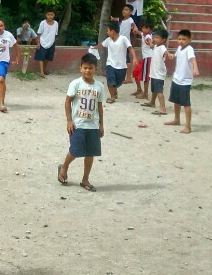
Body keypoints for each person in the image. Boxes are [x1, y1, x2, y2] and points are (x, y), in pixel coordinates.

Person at [58, 54, 105, 192]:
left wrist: (101, 124)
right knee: (75, 150)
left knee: (90, 153)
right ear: (80, 68)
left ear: (95, 69)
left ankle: (85, 179)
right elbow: (67, 101)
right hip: (78, 124)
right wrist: (69, 121)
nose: (87, 71)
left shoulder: (99, 86)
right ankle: (64, 166)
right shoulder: (76, 84)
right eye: (85, 68)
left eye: (90, 68)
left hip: (92, 125)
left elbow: (100, 106)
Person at [165, 29, 199, 133]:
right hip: (176, 78)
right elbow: (175, 56)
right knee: (176, 101)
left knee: (186, 104)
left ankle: (188, 126)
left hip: (185, 81)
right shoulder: (179, 48)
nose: (181, 41)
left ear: (190, 40)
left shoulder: (189, 49)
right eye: (179, 39)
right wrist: (171, 56)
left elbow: (193, 59)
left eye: (184, 39)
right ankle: (176, 119)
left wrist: (195, 68)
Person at [101, 22, 136, 104]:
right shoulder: (108, 40)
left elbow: (130, 48)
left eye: (108, 30)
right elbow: (101, 45)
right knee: (110, 80)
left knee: (118, 82)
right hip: (110, 64)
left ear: (112, 31)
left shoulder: (123, 39)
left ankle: (114, 90)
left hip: (121, 66)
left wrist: (134, 58)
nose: (107, 32)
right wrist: (93, 48)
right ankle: (112, 97)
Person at [147, 28, 170, 115]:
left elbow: (166, 52)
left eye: (157, 38)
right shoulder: (156, 46)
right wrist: (149, 41)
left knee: (159, 91)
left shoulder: (162, 48)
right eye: (154, 37)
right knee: (154, 90)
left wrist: (169, 54)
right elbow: (152, 46)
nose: (155, 39)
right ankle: (152, 102)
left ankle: (163, 108)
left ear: (163, 40)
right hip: (154, 72)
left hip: (159, 74)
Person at [34, 10, 59, 77]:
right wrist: (38, 43)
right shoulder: (43, 23)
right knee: (41, 57)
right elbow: (39, 33)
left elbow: (55, 34)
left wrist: (54, 42)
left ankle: (44, 70)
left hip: (51, 42)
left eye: (52, 14)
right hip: (42, 42)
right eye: (48, 14)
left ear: (54, 15)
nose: (50, 16)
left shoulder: (56, 23)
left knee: (47, 58)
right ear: (46, 15)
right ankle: (41, 72)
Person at [133, 20, 154, 100]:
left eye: (146, 28)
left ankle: (145, 94)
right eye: (143, 28)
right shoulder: (143, 34)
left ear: (150, 30)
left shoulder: (148, 37)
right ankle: (139, 89)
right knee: (135, 72)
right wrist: (134, 26)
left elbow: (150, 43)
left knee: (145, 77)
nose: (144, 29)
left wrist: (151, 44)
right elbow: (138, 32)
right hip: (145, 58)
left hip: (148, 58)